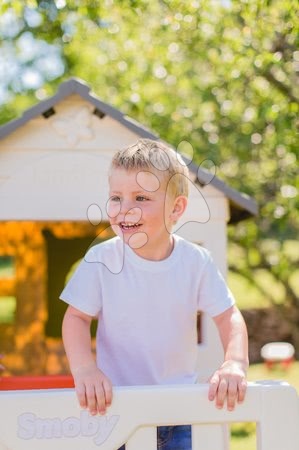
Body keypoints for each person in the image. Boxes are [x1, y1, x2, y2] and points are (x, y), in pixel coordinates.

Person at [61, 139, 249, 450]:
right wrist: (85, 369)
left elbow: (229, 315)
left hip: (178, 410)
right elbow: (76, 318)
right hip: (115, 410)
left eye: (141, 197)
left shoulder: (195, 262)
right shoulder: (101, 260)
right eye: (116, 198)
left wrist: (235, 363)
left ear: (176, 208)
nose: (125, 209)